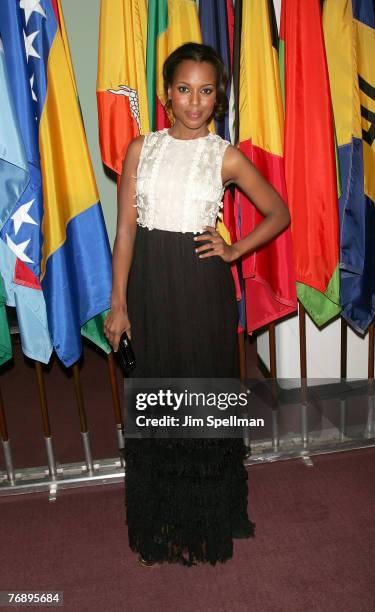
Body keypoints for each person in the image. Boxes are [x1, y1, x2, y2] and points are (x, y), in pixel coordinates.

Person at [104, 42, 290, 567]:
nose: (194, 102)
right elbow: (124, 231)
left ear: (218, 97)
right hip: (148, 288)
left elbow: (278, 212)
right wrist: (118, 303)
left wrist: (233, 249)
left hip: (201, 288)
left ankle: (213, 515)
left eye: (206, 91)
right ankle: (161, 520)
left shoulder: (224, 155)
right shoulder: (141, 148)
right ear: (167, 95)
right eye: (184, 90)